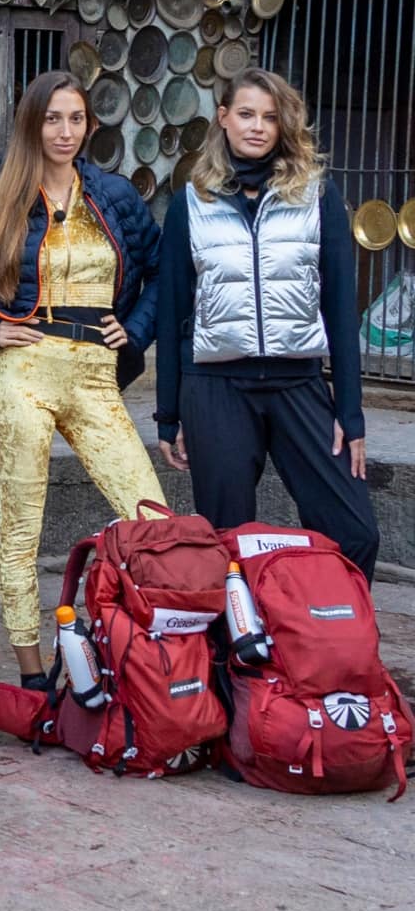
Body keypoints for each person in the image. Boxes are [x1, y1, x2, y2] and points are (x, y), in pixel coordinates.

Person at [0, 72, 165, 680]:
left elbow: (165, 271)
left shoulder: (113, 195)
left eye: (76, 119)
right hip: (24, 372)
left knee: (153, 518)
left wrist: (137, 329)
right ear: (32, 123)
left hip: (96, 375)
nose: (64, 131)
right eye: (53, 118)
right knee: (21, 529)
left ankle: (146, 656)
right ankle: (32, 675)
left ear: (89, 125)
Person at [155, 68, 378, 579]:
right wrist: (169, 415)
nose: (257, 126)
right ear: (223, 118)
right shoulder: (192, 202)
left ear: (284, 125)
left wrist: (350, 412)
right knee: (228, 546)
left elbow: (341, 310)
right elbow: (173, 313)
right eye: (247, 114)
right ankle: (243, 633)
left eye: (270, 117)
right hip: (216, 389)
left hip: (298, 383)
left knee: (355, 531)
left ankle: (322, 624)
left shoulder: (317, 197)